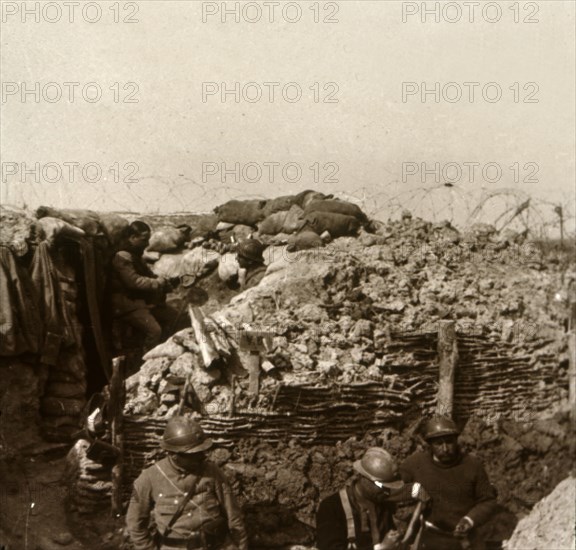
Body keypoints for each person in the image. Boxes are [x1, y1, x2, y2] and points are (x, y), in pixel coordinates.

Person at [126, 416, 248, 550]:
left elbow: (233, 516)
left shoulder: (212, 471)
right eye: (194, 454)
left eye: (202, 451)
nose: (202, 457)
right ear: (174, 455)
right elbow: (135, 524)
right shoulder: (148, 479)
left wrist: (240, 546)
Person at [399, 416, 498, 550]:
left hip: (466, 539)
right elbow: (394, 487)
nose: (445, 449)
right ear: (429, 445)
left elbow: (488, 501)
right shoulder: (416, 464)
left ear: (456, 441)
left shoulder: (472, 466)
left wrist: (469, 520)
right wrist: (413, 491)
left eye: (449, 442)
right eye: (438, 444)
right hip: (432, 539)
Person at [316, 447, 428, 550]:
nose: (387, 491)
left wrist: (423, 493)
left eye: (389, 487)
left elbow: (409, 490)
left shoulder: (381, 497)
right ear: (364, 479)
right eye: (382, 486)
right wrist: (382, 548)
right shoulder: (332, 507)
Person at [110, 221, 178, 350]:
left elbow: (148, 274)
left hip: (139, 301)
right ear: (132, 238)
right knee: (154, 331)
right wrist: (157, 283)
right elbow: (133, 282)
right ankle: (143, 363)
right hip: (127, 304)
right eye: (143, 240)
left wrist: (163, 282)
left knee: (174, 317)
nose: (147, 244)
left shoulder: (136, 256)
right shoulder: (122, 256)